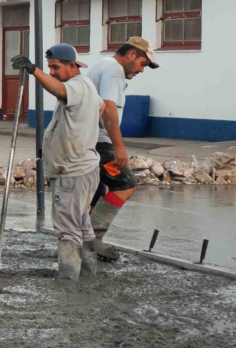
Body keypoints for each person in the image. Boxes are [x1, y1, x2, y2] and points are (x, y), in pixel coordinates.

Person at [12, 44, 103, 280]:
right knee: (82, 224)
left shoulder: (75, 86)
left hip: (72, 172)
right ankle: (88, 273)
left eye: (56, 67)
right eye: (49, 67)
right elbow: (101, 107)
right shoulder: (87, 86)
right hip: (84, 168)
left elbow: (60, 91)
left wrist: (34, 70)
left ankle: (68, 281)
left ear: (72, 66)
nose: (52, 72)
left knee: (67, 230)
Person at [85, 38, 159, 261]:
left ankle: (82, 239)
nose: (141, 70)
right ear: (131, 55)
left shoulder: (103, 65)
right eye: (142, 63)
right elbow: (108, 109)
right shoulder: (114, 70)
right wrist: (119, 148)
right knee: (125, 184)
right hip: (99, 141)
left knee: (96, 193)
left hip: (87, 139)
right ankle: (92, 239)